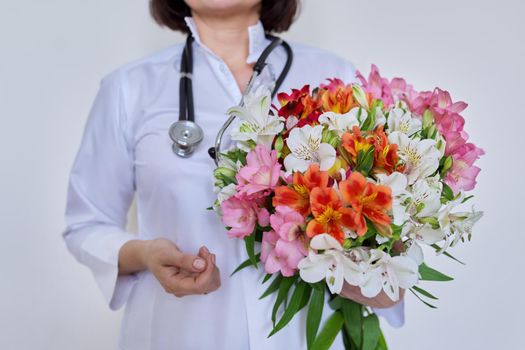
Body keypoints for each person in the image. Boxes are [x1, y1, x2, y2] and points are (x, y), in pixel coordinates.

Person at [62, 1, 404, 349]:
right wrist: (146, 253)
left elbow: (386, 207)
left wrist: (375, 269)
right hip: (181, 334)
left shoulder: (335, 78)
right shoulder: (129, 88)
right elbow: (86, 224)